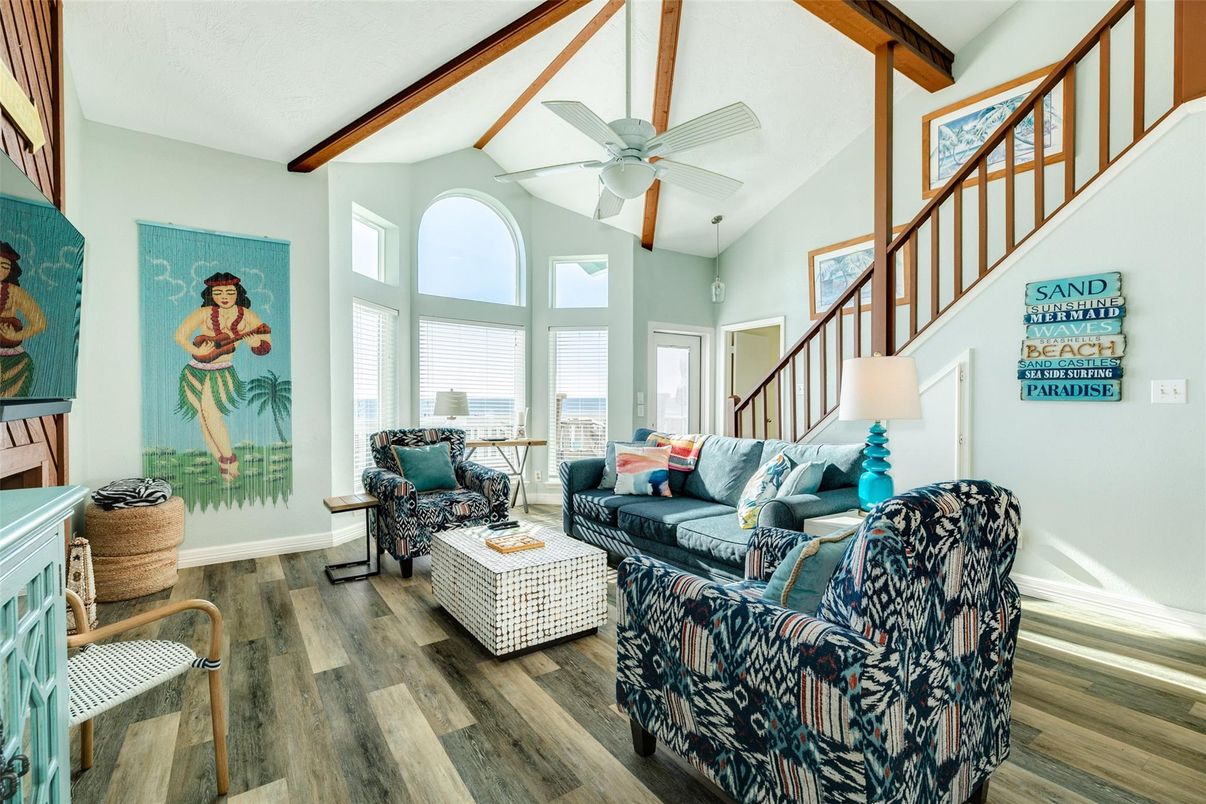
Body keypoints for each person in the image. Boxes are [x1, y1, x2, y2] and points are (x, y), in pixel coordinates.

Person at [174, 271, 271, 481]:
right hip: (194, 370)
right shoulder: (205, 312)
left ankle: (230, 460)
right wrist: (197, 350)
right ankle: (223, 465)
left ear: (238, 292)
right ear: (211, 294)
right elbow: (180, 335)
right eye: (218, 293)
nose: (224, 297)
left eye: (229, 292)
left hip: (221, 371)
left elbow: (265, 344)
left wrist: (255, 342)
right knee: (203, 419)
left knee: (211, 413)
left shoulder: (247, 315)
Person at [0, 241, 46, 398]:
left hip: (9, 353)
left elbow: (39, 322)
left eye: (4, 266)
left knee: (25, 363)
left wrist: (15, 336)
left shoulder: (14, 292)